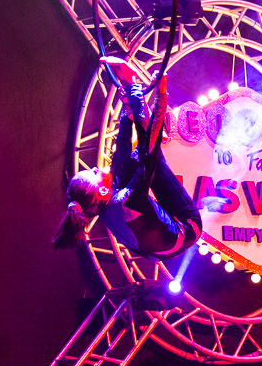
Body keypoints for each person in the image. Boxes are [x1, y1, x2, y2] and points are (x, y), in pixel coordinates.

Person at [53, 59, 201, 259]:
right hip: (188, 227)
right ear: (102, 190)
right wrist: (154, 91)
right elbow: (150, 145)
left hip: (156, 243)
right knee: (149, 154)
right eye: (94, 173)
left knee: (125, 166)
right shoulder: (124, 202)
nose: (96, 168)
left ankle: (133, 103)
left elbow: (121, 150)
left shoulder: (102, 203)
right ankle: (134, 87)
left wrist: (126, 110)